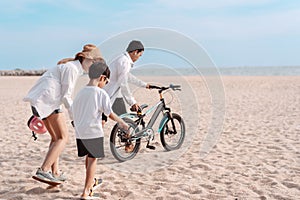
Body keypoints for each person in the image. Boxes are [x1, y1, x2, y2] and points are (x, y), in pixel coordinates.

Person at [23, 44, 103, 184]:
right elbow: (67, 96)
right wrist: (75, 118)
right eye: (94, 62)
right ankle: (44, 170)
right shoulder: (71, 69)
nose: (93, 66)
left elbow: (64, 95)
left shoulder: (71, 67)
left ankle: (55, 172)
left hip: (45, 101)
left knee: (56, 138)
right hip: (48, 101)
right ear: (85, 58)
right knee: (63, 138)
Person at [71, 61, 129, 199]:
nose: (106, 84)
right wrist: (122, 122)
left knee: (89, 158)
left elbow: (74, 111)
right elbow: (109, 113)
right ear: (102, 77)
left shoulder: (80, 93)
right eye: (106, 81)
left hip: (80, 132)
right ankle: (85, 192)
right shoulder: (100, 93)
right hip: (93, 132)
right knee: (93, 160)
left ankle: (90, 186)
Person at [103, 40, 150, 116]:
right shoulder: (124, 62)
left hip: (114, 94)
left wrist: (145, 85)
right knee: (124, 121)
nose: (138, 58)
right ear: (135, 52)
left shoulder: (122, 59)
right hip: (109, 94)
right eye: (139, 55)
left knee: (122, 120)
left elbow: (128, 77)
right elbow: (123, 83)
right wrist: (132, 102)